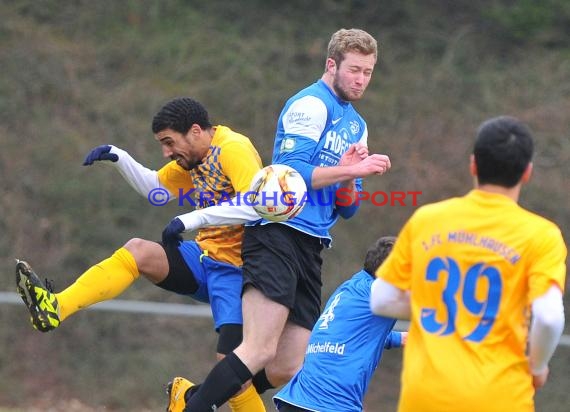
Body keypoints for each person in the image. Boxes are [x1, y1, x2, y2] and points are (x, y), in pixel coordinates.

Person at [170, 28, 392, 412]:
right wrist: (343, 170)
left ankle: (195, 396)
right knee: (258, 348)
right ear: (331, 65)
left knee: (289, 363)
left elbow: (348, 207)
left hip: (312, 244)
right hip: (277, 235)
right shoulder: (310, 104)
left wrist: (353, 174)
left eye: (368, 72)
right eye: (354, 69)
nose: (361, 79)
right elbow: (289, 174)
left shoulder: (357, 125)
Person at [15, 97, 267, 412]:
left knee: (234, 374)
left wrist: (188, 221)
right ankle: (56, 307)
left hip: (238, 271)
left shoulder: (233, 149)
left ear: (195, 131)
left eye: (169, 143)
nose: (166, 153)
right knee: (138, 251)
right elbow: (155, 188)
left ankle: (186, 398)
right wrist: (118, 157)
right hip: (205, 258)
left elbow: (256, 206)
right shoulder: (193, 158)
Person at [370, 116, 567, 412]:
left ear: (473, 164)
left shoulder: (427, 219)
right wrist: (537, 367)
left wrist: (442, 300)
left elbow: (382, 299)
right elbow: (550, 317)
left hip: (424, 397)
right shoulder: (541, 235)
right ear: (527, 173)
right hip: (501, 398)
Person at [273, 236, 407, 412]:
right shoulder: (381, 295)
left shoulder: (351, 287)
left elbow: (355, 333)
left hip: (297, 400)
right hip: (330, 405)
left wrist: (400, 338)